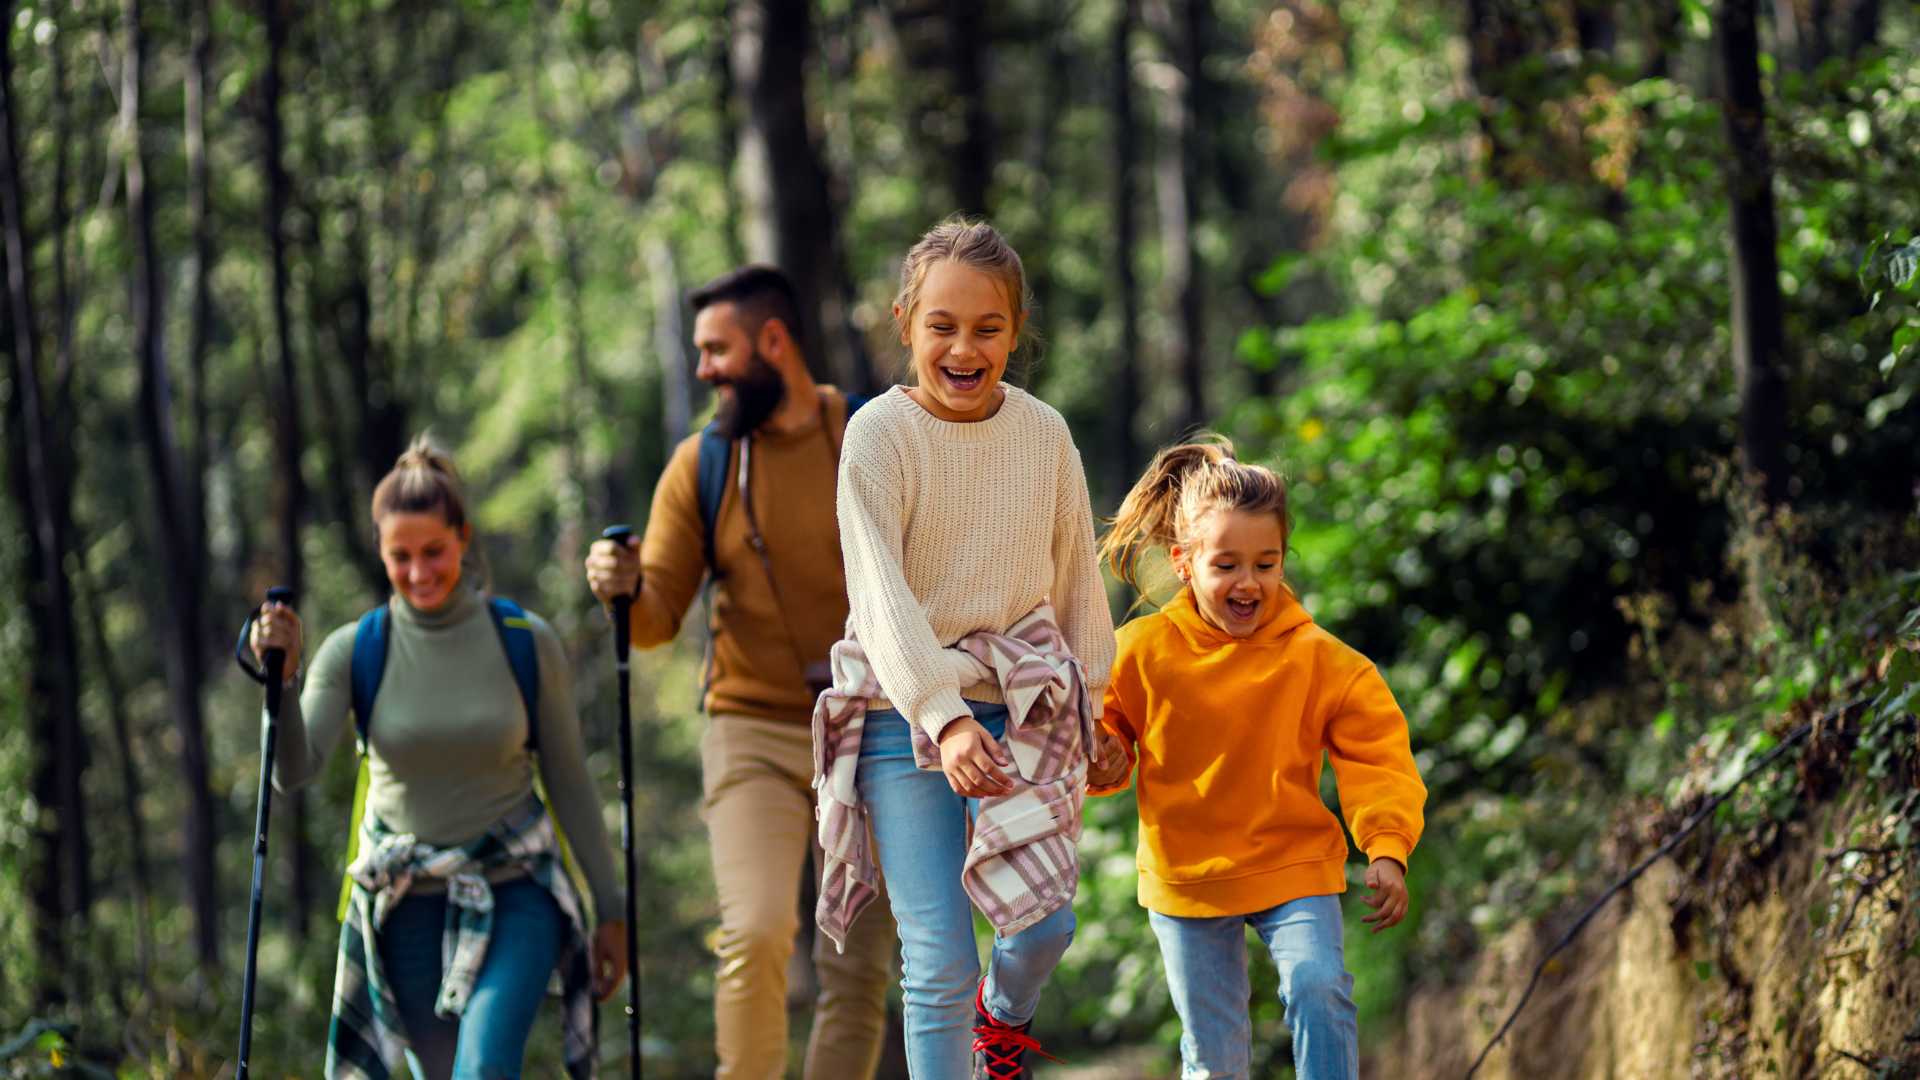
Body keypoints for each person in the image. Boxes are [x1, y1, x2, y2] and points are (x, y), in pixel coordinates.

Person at [811, 217, 1118, 1080]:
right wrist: (943, 719)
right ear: (906, 323)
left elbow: (1076, 586)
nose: (964, 347)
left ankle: (1003, 1019)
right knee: (938, 957)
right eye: (942, 326)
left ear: (1017, 333)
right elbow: (880, 601)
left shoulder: (1045, 433)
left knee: (1044, 923)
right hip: (898, 717)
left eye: (988, 328)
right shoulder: (878, 435)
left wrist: (1098, 711)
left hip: (1024, 706)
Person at [583, 265, 894, 1079]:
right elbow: (653, 624)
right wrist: (620, 587)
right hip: (750, 726)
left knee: (857, 963)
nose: (703, 370)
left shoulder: (870, 436)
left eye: (716, 350)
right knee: (754, 931)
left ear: (774, 342)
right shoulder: (703, 464)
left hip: (869, 728)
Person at [248, 438, 626, 1080]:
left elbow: (568, 783)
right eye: (401, 557)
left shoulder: (525, 643)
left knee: (483, 1069)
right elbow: (292, 770)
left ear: (463, 539)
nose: (419, 572)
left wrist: (612, 912)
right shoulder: (355, 651)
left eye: (434, 553)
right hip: (405, 905)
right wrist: (278, 682)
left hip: (517, 890)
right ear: (380, 550)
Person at [1086, 436, 1428, 1080]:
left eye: (1266, 564)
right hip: (1187, 875)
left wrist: (1385, 846)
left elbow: (1376, 756)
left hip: (1291, 863)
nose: (1249, 583)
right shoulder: (1139, 650)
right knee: (1215, 1059)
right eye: (1227, 566)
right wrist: (1102, 760)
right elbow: (1104, 736)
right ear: (1184, 563)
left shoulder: (1321, 659)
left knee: (1319, 989)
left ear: (1282, 563)